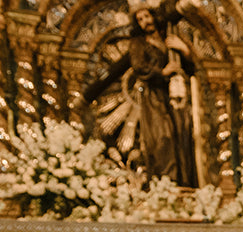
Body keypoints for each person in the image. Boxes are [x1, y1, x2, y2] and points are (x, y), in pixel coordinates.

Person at [81, 0, 198, 187]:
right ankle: (165, 184)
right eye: (140, 19)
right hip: (154, 99)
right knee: (162, 139)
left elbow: (191, 69)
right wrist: (163, 72)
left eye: (147, 16)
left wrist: (183, 49)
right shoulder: (138, 43)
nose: (145, 21)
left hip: (175, 96)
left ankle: (184, 183)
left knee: (181, 136)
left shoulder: (169, 36)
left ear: (153, 16)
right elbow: (139, 66)